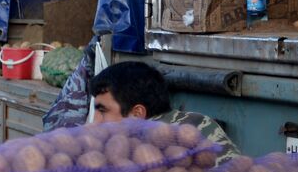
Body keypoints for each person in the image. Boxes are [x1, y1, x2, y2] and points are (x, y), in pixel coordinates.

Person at [88, 61, 241, 163]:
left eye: (103, 111)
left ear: (137, 113)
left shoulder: (152, 147)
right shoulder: (197, 120)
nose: (95, 122)